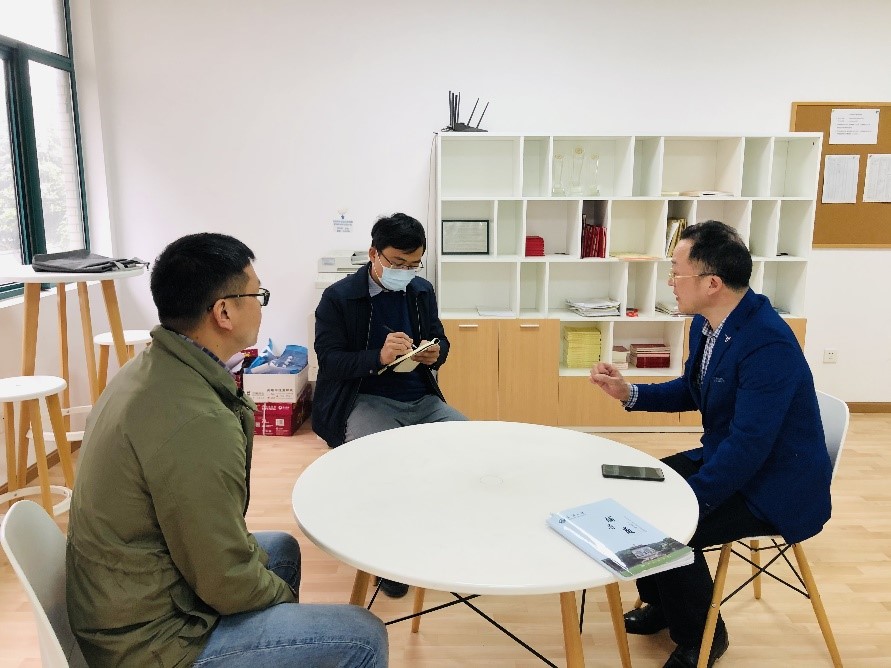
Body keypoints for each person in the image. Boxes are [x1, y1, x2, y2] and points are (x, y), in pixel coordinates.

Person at [66, 233, 388, 667]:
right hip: (149, 640)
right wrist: (280, 597)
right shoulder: (196, 420)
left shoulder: (150, 369)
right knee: (363, 637)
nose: (261, 305)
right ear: (224, 312)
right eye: (257, 294)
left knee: (281, 549)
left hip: (126, 596)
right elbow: (224, 578)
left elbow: (211, 546)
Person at [590, 220, 832, 668]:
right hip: (732, 460)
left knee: (668, 524)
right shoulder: (708, 324)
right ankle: (664, 603)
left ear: (712, 283)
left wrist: (690, 502)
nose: (670, 281)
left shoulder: (768, 344)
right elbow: (694, 388)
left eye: (676, 272)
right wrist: (630, 392)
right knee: (636, 493)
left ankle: (701, 639)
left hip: (774, 485)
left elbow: (749, 447)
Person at [313, 212, 466, 598]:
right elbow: (330, 361)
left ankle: (442, 534)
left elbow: (440, 338)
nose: (406, 272)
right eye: (398, 263)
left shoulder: (421, 291)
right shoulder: (339, 298)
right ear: (374, 254)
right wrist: (377, 357)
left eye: (414, 264)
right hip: (365, 399)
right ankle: (385, 556)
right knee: (380, 469)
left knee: (467, 446)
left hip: (421, 398)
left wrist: (436, 352)